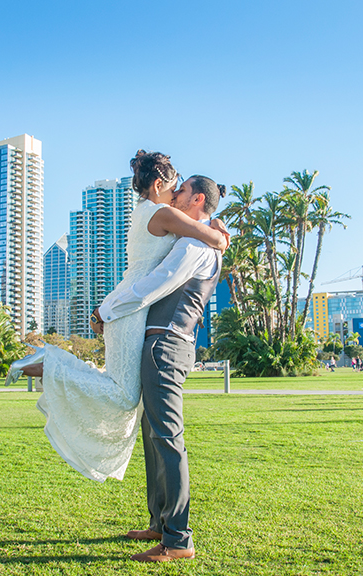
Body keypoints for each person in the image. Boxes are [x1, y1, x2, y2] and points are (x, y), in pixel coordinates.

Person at [5, 151, 228, 483]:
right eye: (175, 186)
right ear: (159, 184)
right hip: (129, 310)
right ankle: (49, 366)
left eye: (182, 189)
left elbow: (196, 230)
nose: (177, 191)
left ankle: (51, 362)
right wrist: (221, 234)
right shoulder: (164, 213)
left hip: (123, 304)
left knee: (116, 385)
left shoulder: (142, 212)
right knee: (123, 395)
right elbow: (208, 236)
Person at [91, 175, 225, 562]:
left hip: (166, 346)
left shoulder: (193, 246)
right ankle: (159, 522)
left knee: (167, 438)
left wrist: (106, 309)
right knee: (155, 438)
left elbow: (155, 283)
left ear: (197, 198)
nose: (174, 196)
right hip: (163, 345)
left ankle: (178, 539)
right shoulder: (199, 238)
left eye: (181, 192)